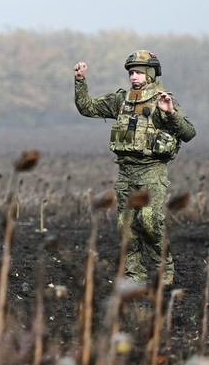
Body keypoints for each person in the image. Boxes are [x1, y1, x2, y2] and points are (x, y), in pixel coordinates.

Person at [73, 50, 196, 285]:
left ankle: (164, 269)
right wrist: (80, 81)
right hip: (126, 171)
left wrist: (170, 113)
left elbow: (189, 133)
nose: (134, 77)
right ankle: (134, 274)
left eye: (139, 72)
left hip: (151, 170)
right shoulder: (121, 100)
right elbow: (86, 107)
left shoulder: (163, 100)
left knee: (149, 221)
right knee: (126, 224)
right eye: (131, 73)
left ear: (150, 74)